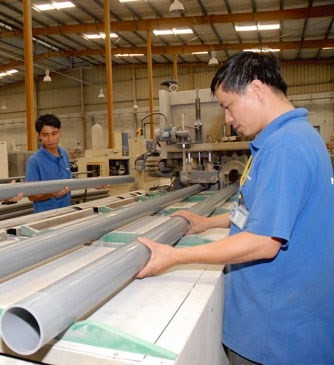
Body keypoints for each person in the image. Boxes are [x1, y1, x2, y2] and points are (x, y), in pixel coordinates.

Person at [136, 52, 333, 364]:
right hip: (284, 319)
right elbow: (263, 211)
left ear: (256, 89)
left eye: (228, 105)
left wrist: (175, 256)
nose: (227, 118)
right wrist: (208, 222)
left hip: (276, 335)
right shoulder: (290, 138)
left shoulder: (285, 147)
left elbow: (263, 241)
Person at [25, 114, 72, 213]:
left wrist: (94, 184)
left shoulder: (64, 154)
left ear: (60, 132)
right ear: (39, 136)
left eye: (54, 134)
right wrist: (51, 194)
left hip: (67, 212)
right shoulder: (34, 161)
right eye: (45, 135)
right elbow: (31, 196)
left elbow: (70, 183)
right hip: (46, 216)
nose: (50, 139)